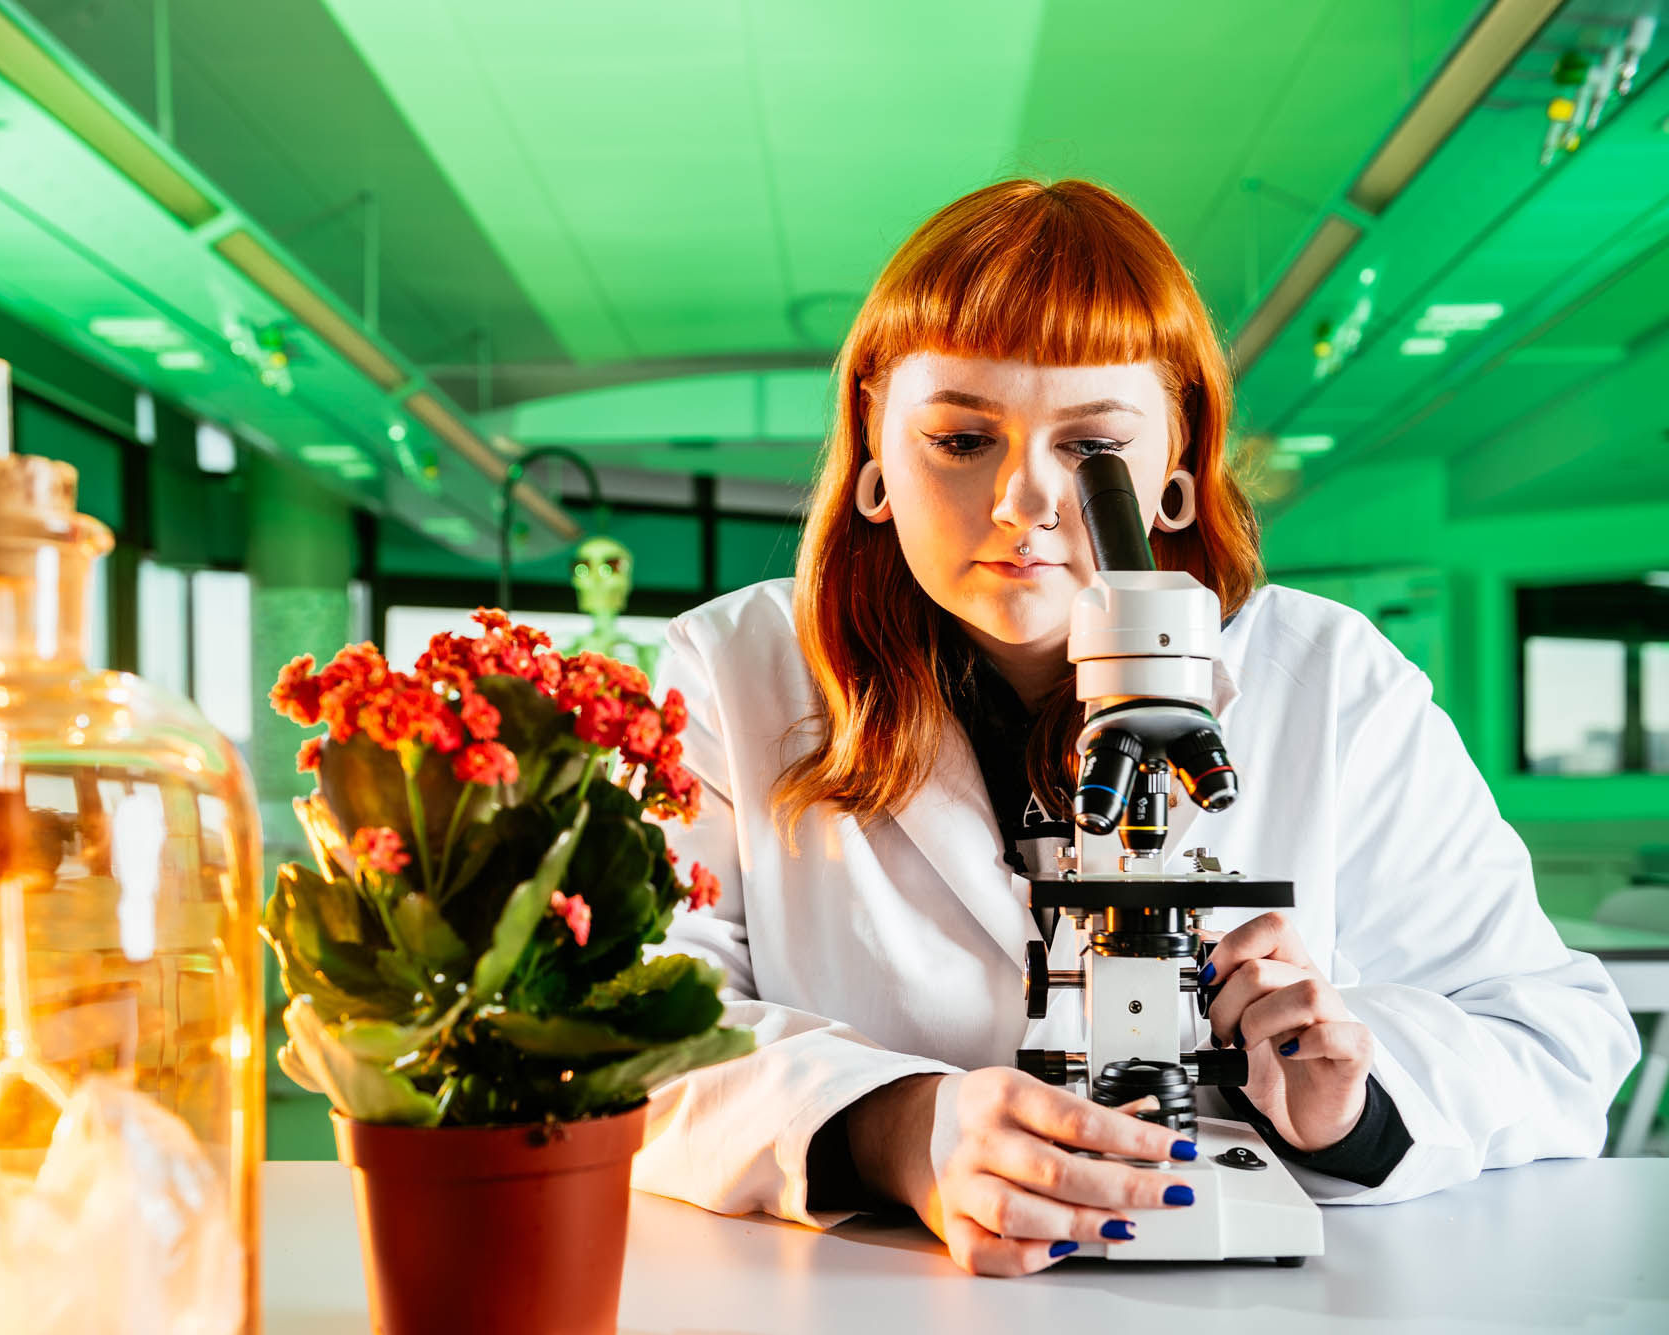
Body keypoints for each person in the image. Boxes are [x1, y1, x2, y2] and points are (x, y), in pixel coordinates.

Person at [632, 179, 1639, 1277]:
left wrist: (1353, 1091)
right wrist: (898, 1130)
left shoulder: (1330, 679)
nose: (1023, 500)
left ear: (1170, 473)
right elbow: (622, 1030)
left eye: (1091, 452)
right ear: (873, 449)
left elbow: (1553, 1041)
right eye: (960, 438)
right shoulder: (733, 672)